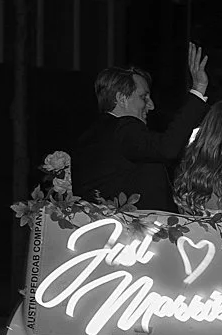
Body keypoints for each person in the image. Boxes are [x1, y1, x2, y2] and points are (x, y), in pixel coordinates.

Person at [69, 43, 210, 210]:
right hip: (130, 226)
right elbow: (168, 147)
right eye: (144, 97)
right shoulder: (124, 127)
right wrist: (198, 90)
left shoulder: (90, 135)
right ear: (121, 98)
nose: (151, 106)